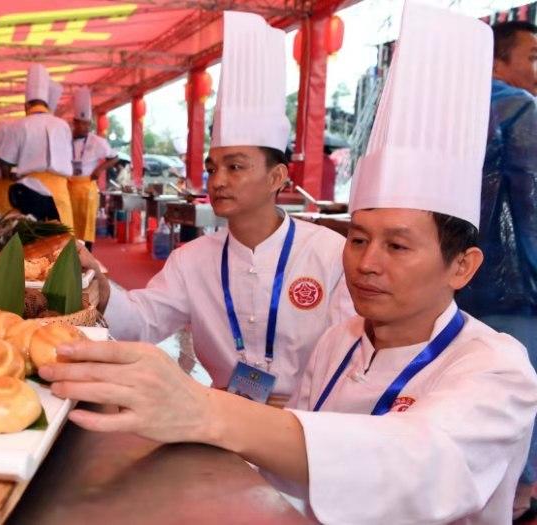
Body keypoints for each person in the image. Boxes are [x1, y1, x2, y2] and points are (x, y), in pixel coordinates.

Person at [43, 6, 537, 524]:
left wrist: (208, 411)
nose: (367, 264)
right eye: (360, 238)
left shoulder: (497, 367)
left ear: (462, 266)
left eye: (397, 246)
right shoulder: (341, 342)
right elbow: (300, 477)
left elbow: (420, 464)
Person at [78, 11, 352, 406]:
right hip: (222, 419)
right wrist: (99, 285)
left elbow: (350, 355)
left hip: (312, 427)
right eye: (212, 167)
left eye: (236, 167)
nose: (218, 179)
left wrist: (300, 406)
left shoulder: (328, 254)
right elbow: (143, 323)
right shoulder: (191, 260)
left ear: (277, 177)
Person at [456, 20, 537, 520]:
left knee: (469, 388)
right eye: (531, 56)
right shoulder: (520, 109)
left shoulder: (448, 105)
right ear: (496, 61)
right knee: (521, 393)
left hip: (457, 281)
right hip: (517, 287)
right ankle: (522, 497)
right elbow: (531, 208)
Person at [0, 64, 74, 226]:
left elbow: (4, 162)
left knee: (32, 242)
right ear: (46, 105)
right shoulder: (63, 125)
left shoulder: (18, 125)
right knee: (63, 242)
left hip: (30, 193)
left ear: (26, 106)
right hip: (60, 191)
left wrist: (11, 175)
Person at [69, 87, 118, 251]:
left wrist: (100, 169)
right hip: (68, 186)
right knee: (68, 225)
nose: (84, 127)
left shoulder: (98, 142)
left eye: (87, 124)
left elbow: (114, 157)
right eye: (81, 123)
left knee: (86, 226)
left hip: (87, 187)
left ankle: (87, 255)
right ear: (74, 123)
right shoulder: (65, 138)